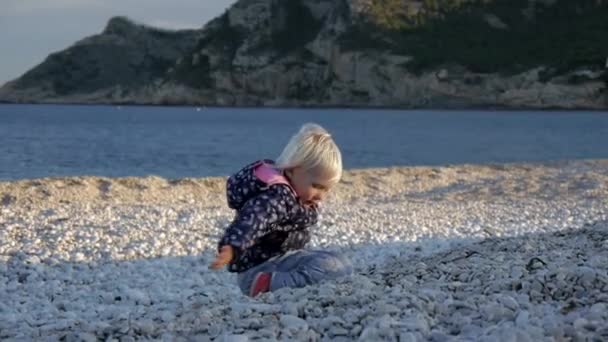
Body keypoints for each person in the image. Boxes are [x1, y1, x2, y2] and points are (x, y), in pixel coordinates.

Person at [210, 123, 353, 297]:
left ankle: (284, 281)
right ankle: (267, 285)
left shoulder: (292, 194)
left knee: (340, 262)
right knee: (332, 268)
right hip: (259, 269)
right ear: (292, 170)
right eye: (316, 186)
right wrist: (233, 246)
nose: (321, 196)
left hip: (279, 259)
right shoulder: (277, 197)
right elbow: (253, 219)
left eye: (326, 189)